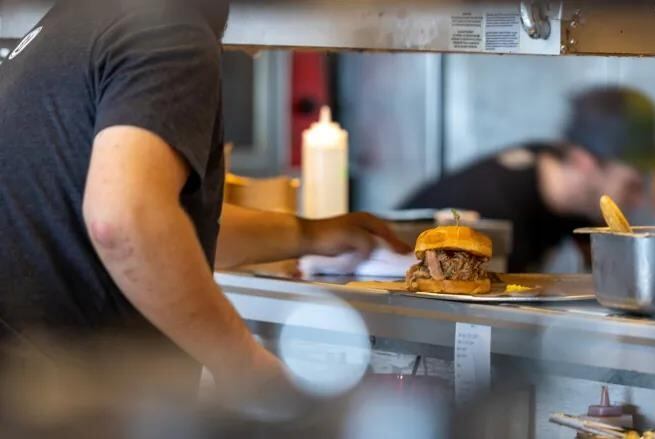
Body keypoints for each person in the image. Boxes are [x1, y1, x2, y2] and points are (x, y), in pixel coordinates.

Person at [0, 0, 408, 401]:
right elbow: (125, 223)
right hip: (70, 397)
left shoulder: (74, 21)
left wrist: (312, 234)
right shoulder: (169, 29)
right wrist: (244, 364)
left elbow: (163, 222)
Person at [401, 87, 655, 273]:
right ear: (584, 162)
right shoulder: (496, 215)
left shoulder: (560, 181)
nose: (638, 200)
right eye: (632, 185)